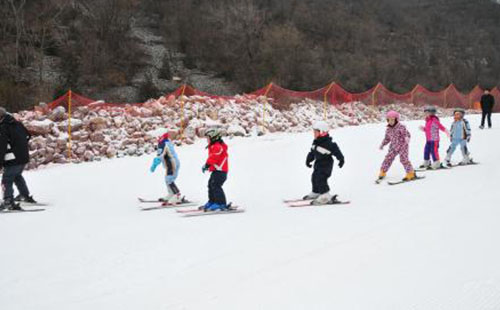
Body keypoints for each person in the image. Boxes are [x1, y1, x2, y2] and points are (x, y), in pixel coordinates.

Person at [0, 107, 35, 211]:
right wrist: (20, 146)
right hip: (23, 156)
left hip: (12, 158)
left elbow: (2, 146)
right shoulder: (17, 123)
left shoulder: (3, 127)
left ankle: (8, 201)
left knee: (7, 179)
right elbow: (28, 135)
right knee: (17, 176)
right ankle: (24, 195)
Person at [303, 120, 344, 205]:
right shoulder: (316, 142)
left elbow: (337, 151)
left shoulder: (329, 144)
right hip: (318, 163)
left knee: (321, 178)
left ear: (322, 132)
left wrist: (341, 159)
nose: (314, 134)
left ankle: (325, 194)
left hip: (326, 164)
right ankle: (316, 191)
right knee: (314, 177)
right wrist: (308, 160)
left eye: (315, 132)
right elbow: (312, 152)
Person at [378, 110, 416, 181]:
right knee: (388, 158)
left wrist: (407, 138)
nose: (390, 122)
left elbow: (407, 134)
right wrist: (382, 144)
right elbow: (387, 138)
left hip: (403, 146)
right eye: (389, 120)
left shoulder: (401, 127)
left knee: (403, 159)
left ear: (396, 120)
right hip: (393, 146)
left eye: (392, 120)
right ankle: (383, 171)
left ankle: (410, 173)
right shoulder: (388, 129)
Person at [201, 127, 229, 211]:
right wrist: (208, 166)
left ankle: (221, 203)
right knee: (210, 185)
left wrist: (207, 165)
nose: (207, 140)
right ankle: (212, 201)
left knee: (216, 186)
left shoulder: (218, 146)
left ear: (213, 137)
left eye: (208, 138)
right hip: (216, 170)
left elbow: (214, 158)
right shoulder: (214, 146)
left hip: (221, 171)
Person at [150, 132, 183, 204]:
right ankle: (171, 193)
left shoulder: (163, 143)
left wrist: (154, 164)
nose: (156, 139)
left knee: (169, 179)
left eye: (157, 137)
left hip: (172, 164)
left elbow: (160, 156)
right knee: (167, 179)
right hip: (170, 164)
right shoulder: (165, 142)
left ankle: (177, 195)